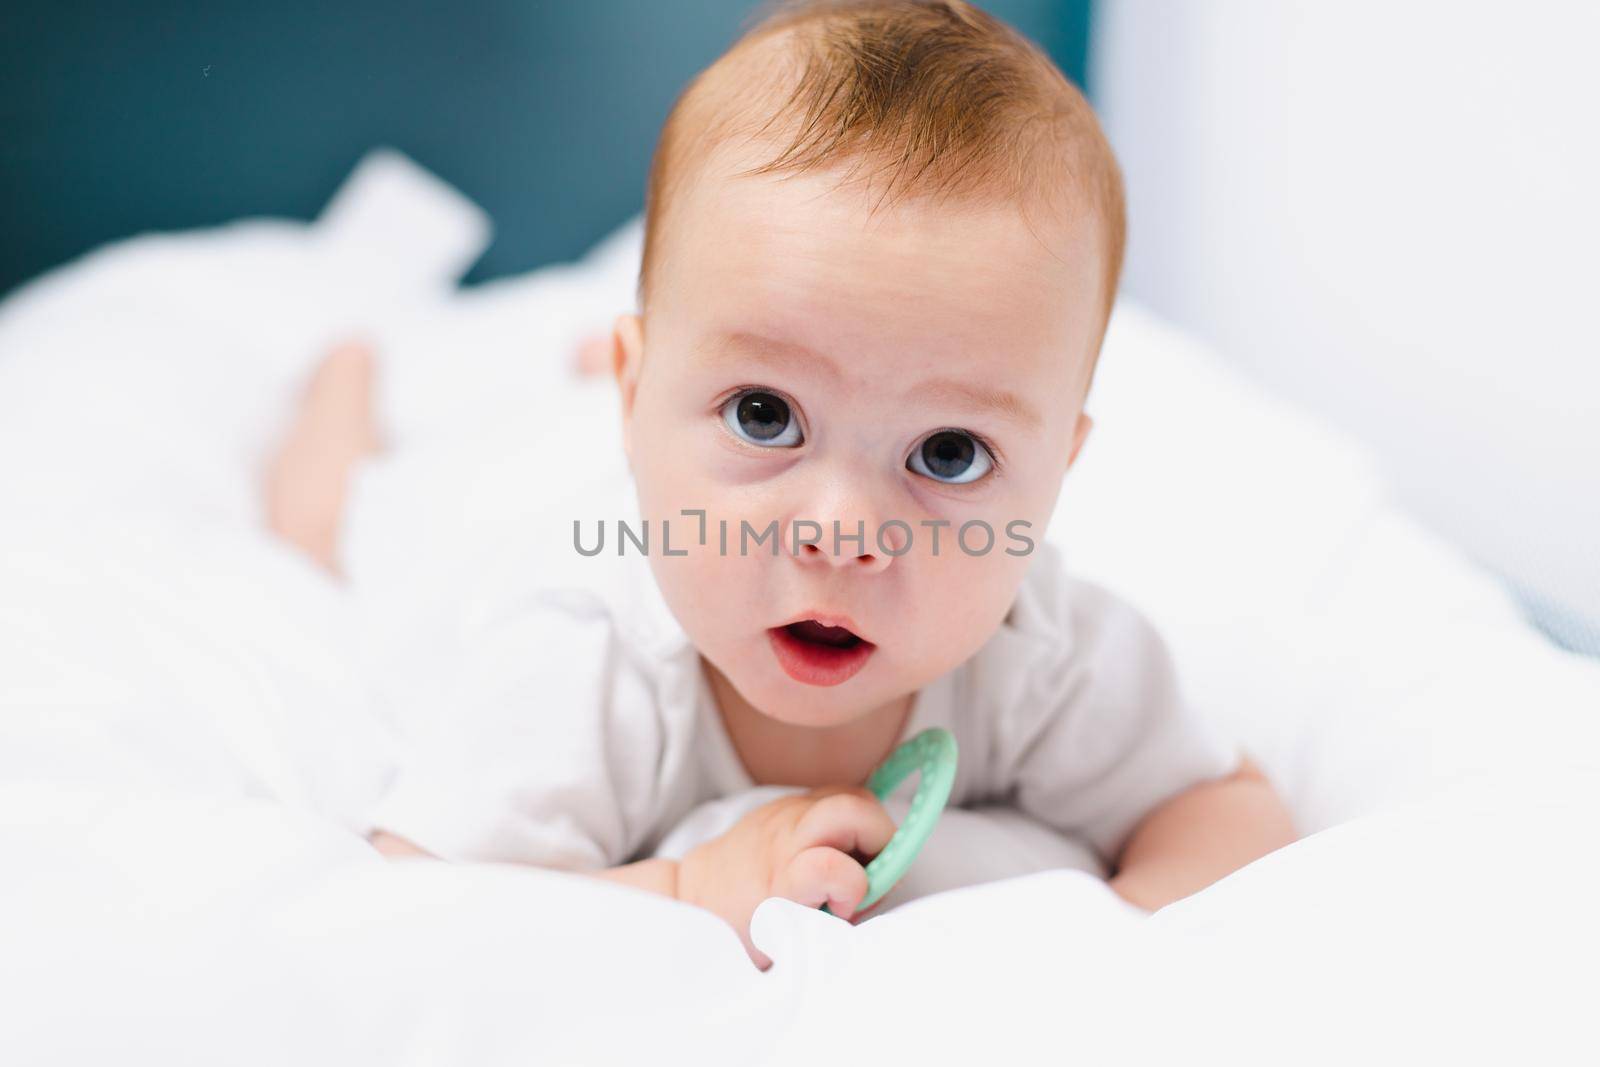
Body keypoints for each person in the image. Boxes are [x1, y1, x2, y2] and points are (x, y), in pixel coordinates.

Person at [270, 0, 1296, 968]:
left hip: (655, 422)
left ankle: (690, 375)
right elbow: (415, 912)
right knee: (329, 523)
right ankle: (349, 384)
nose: (843, 531)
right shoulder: (578, 663)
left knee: (747, 366)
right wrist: (681, 890)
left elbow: (1223, 809)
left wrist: (1115, 942)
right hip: (492, 511)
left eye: (948, 453)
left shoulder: (1049, 657)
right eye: (767, 415)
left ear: (1056, 473)